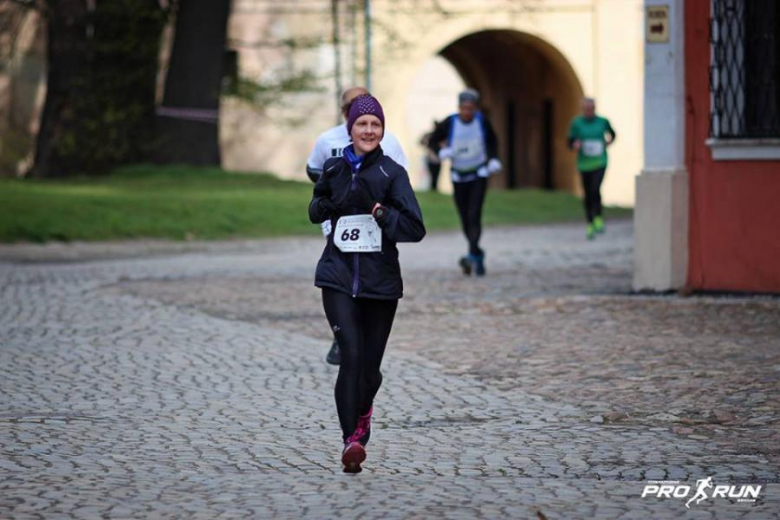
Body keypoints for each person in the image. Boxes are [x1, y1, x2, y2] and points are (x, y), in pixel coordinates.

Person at [308, 94, 425, 473]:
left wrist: (382, 213)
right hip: (337, 276)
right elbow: (315, 208)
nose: (369, 130)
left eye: (375, 124)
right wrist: (325, 206)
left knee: (370, 370)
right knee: (351, 357)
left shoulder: (392, 174)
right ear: (350, 128)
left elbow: (414, 229)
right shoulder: (333, 168)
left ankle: (363, 413)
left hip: (380, 283)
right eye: (363, 124)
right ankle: (351, 442)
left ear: (382, 130)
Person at [306, 87, 408, 366]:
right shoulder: (327, 139)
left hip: (375, 226)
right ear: (344, 112)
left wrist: (384, 210)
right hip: (339, 223)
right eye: (353, 106)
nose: (361, 110)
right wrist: (333, 191)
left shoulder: (389, 142)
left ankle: (355, 335)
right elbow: (313, 169)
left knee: (367, 273)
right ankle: (344, 335)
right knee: (340, 274)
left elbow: (401, 181)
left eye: (368, 108)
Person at [428, 89, 501, 276]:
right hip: (458, 175)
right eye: (463, 108)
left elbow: (493, 141)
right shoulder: (450, 122)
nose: (466, 112)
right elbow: (433, 140)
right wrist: (441, 151)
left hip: (478, 173)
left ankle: (472, 252)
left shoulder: (482, 121)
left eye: (470, 108)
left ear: (475, 108)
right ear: (459, 107)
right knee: (463, 216)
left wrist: (493, 159)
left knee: (473, 213)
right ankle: (477, 252)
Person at [567, 97, 616, 240]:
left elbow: (612, 134)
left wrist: (608, 142)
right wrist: (574, 145)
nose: (589, 111)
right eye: (586, 108)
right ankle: (589, 222)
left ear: (595, 108)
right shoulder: (576, 123)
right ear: (583, 109)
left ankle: (598, 217)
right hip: (584, 163)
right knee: (587, 193)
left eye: (591, 108)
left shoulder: (602, 122)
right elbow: (569, 141)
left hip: (600, 161)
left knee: (595, 189)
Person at [419, 121, 442, 192]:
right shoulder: (430, 135)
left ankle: (434, 188)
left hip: (438, 158)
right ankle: (431, 188)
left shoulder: (440, 136)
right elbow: (421, 141)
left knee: (436, 175)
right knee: (430, 175)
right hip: (430, 157)